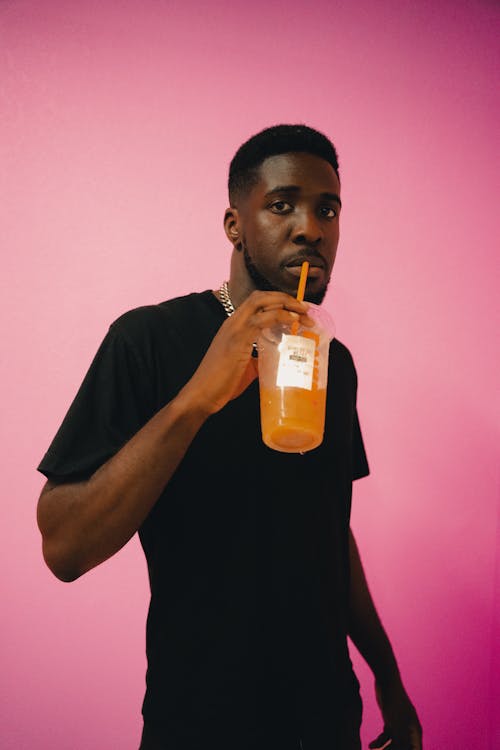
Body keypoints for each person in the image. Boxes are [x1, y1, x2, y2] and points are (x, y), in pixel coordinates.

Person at [37, 124, 422, 750]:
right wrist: (197, 398)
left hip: (326, 720)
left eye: (328, 209)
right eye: (281, 204)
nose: (310, 227)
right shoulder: (148, 341)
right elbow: (63, 547)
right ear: (233, 224)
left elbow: (327, 527)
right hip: (199, 721)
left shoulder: (333, 362)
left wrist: (388, 678)